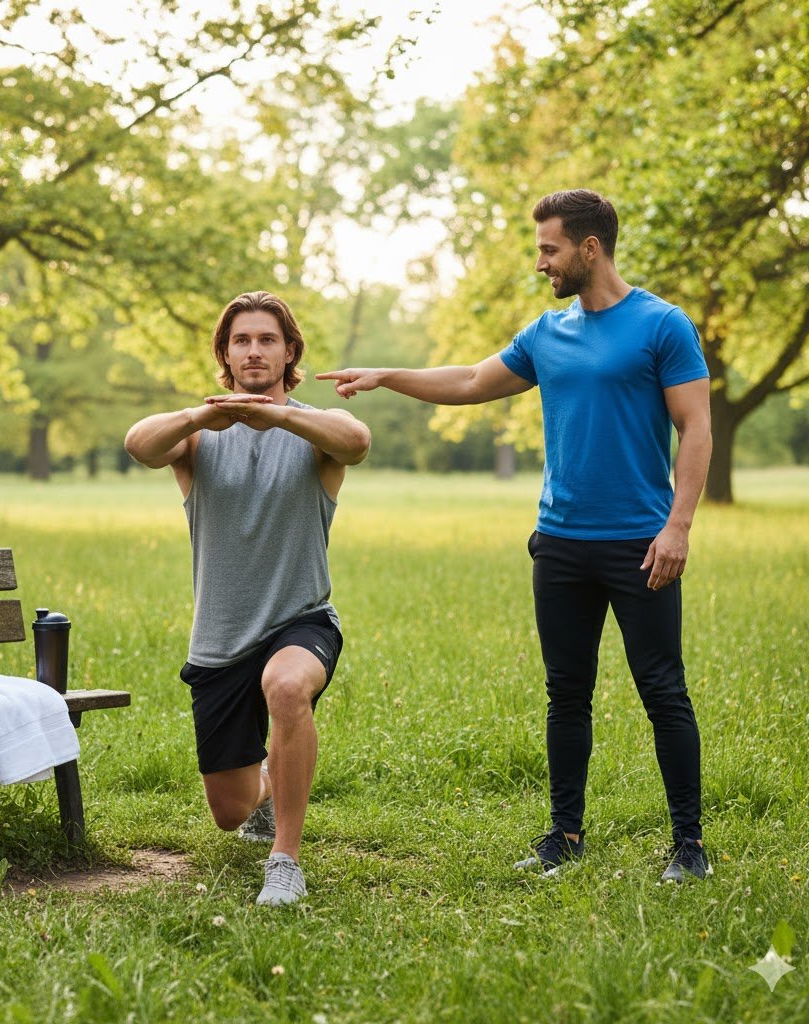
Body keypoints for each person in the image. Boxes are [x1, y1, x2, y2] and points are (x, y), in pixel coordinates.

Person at [318, 189, 713, 883]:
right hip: (559, 542)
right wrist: (388, 376)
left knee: (662, 689)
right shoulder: (547, 334)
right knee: (567, 692)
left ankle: (689, 845)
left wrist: (677, 526)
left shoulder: (662, 326)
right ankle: (565, 834)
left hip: (639, 544)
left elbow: (697, 428)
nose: (542, 263)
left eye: (550, 249)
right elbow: (472, 379)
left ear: (590, 249)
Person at [125, 290, 370, 906]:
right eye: (241, 341)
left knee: (287, 688)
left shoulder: (312, 433)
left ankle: (284, 861)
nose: (254, 350)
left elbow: (357, 438)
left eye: (267, 340)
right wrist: (198, 418)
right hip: (221, 640)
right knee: (231, 812)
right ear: (225, 354)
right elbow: (138, 443)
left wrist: (278, 415)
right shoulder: (199, 438)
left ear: (290, 352)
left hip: (301, 619)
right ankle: (266, 785)